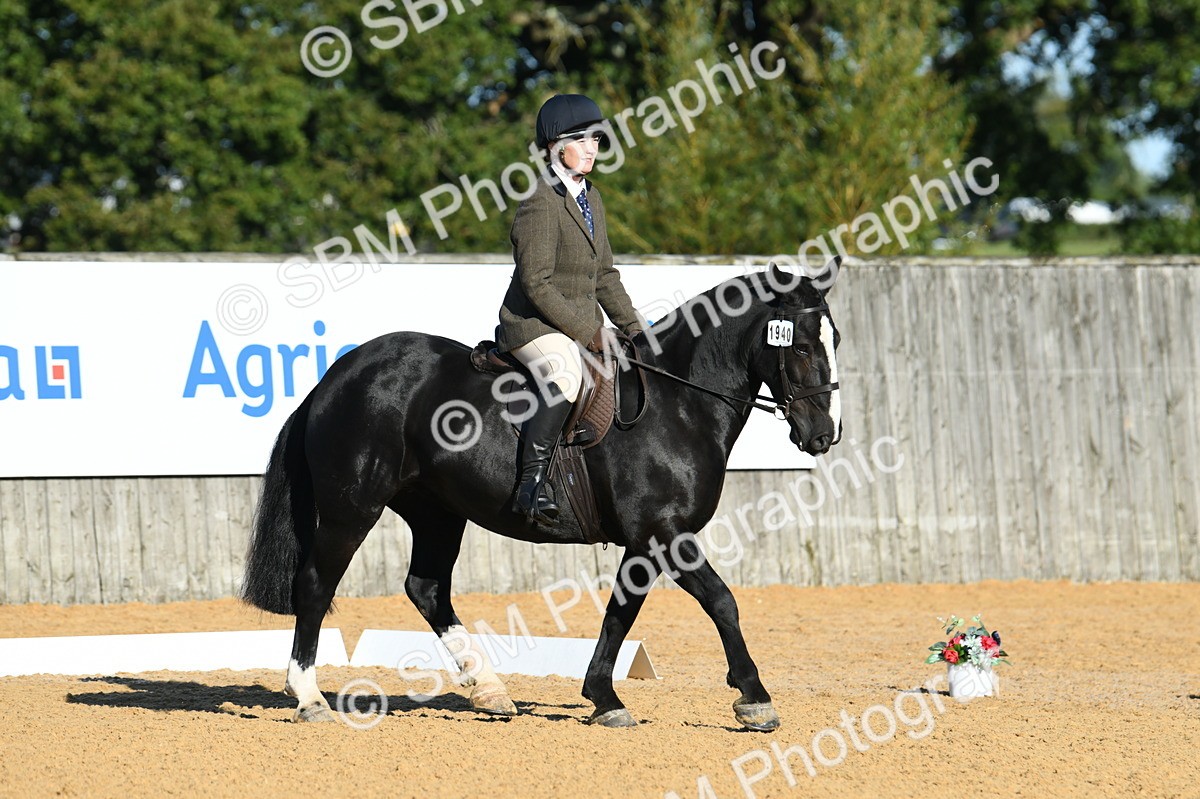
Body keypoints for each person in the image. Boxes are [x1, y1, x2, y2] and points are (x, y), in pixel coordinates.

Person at [497, 93, 645, 525]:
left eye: (596, 138)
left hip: (577, 326)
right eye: (582, 139)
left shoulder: (591, 198)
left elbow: (605, 276)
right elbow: (535, 282)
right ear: (554, 147)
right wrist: (590, 332)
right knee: (567, 372)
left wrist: (635, 330)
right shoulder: (540, 199)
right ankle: (531, 486)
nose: (592, 147)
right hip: (532, 327)